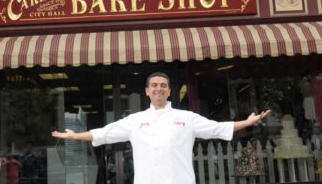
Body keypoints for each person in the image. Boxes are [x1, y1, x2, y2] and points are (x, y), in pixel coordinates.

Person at [52, 72, 270, 184]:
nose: (159, 89)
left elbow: (217, 128)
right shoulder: (135, 120)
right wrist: (75, 135)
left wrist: (248, 122)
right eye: (154, 86)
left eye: (163, 86)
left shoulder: (186, 118)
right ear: (147, 91)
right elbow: (104, 133)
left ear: (169, 92)